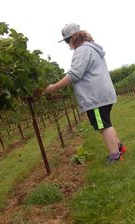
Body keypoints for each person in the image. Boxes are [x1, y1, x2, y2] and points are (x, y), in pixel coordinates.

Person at [45, 23, 126, 165]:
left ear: (73, 38)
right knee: (104, 123)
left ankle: (116, 156)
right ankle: (119, 148)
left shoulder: (82, 51)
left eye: (66, 40)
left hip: (95, 97)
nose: (67, 44)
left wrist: (54, 87)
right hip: (101, 94)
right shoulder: (91, 48)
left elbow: (75, 74)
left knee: (103, 125)